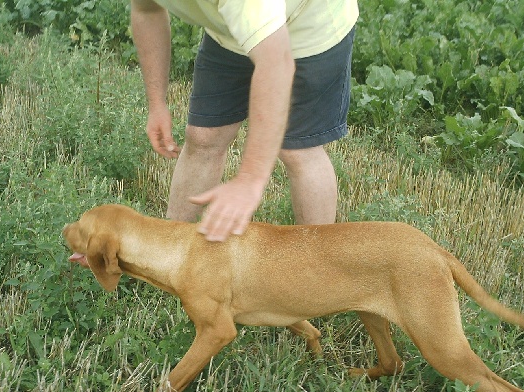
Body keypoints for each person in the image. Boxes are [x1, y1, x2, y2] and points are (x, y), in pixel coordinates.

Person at [130, 0, 359, 241]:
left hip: (309, 28)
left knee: (298, 150)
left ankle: (317, 264)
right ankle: (170, 248)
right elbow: (147, 10)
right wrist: (157, 104)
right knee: (203, 137)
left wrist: (250, 180)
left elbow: (276, 65)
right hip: (232, 31)